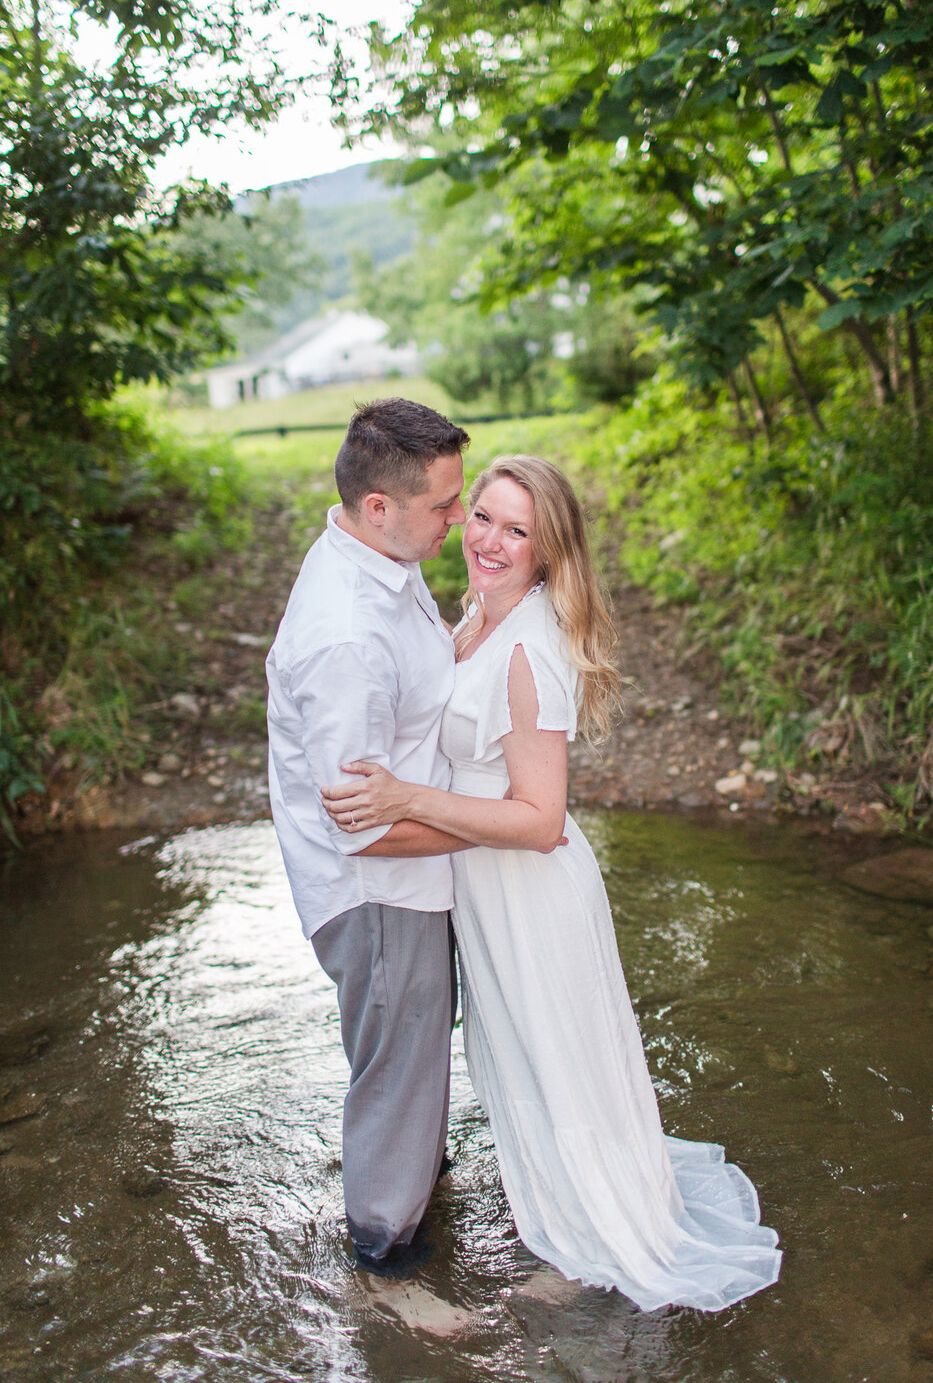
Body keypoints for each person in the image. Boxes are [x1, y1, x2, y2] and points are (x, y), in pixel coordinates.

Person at [322, 454, 782, 1312]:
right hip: (487, 894)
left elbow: (540, 819)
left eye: (517, 530)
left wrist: (408, 798)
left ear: (548, 551)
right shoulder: (479, 617)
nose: (490, 541)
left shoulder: (532, 650)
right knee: (529, 1060)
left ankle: (596, 1241)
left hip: (532, 895)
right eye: (483, 518)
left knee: (560, 1062)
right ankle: (571, 1215)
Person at [266, 397, 486, 1279]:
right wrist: (497, 835)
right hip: (378, 896)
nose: (459, 520)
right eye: (444, 505)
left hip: (411, 884)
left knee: (410, 1049)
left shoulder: (382, 564)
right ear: (379, 508)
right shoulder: (345, 637)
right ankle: (385, 1262)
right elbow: (363, 834)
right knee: (396, 1066)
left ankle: (415, 1179)